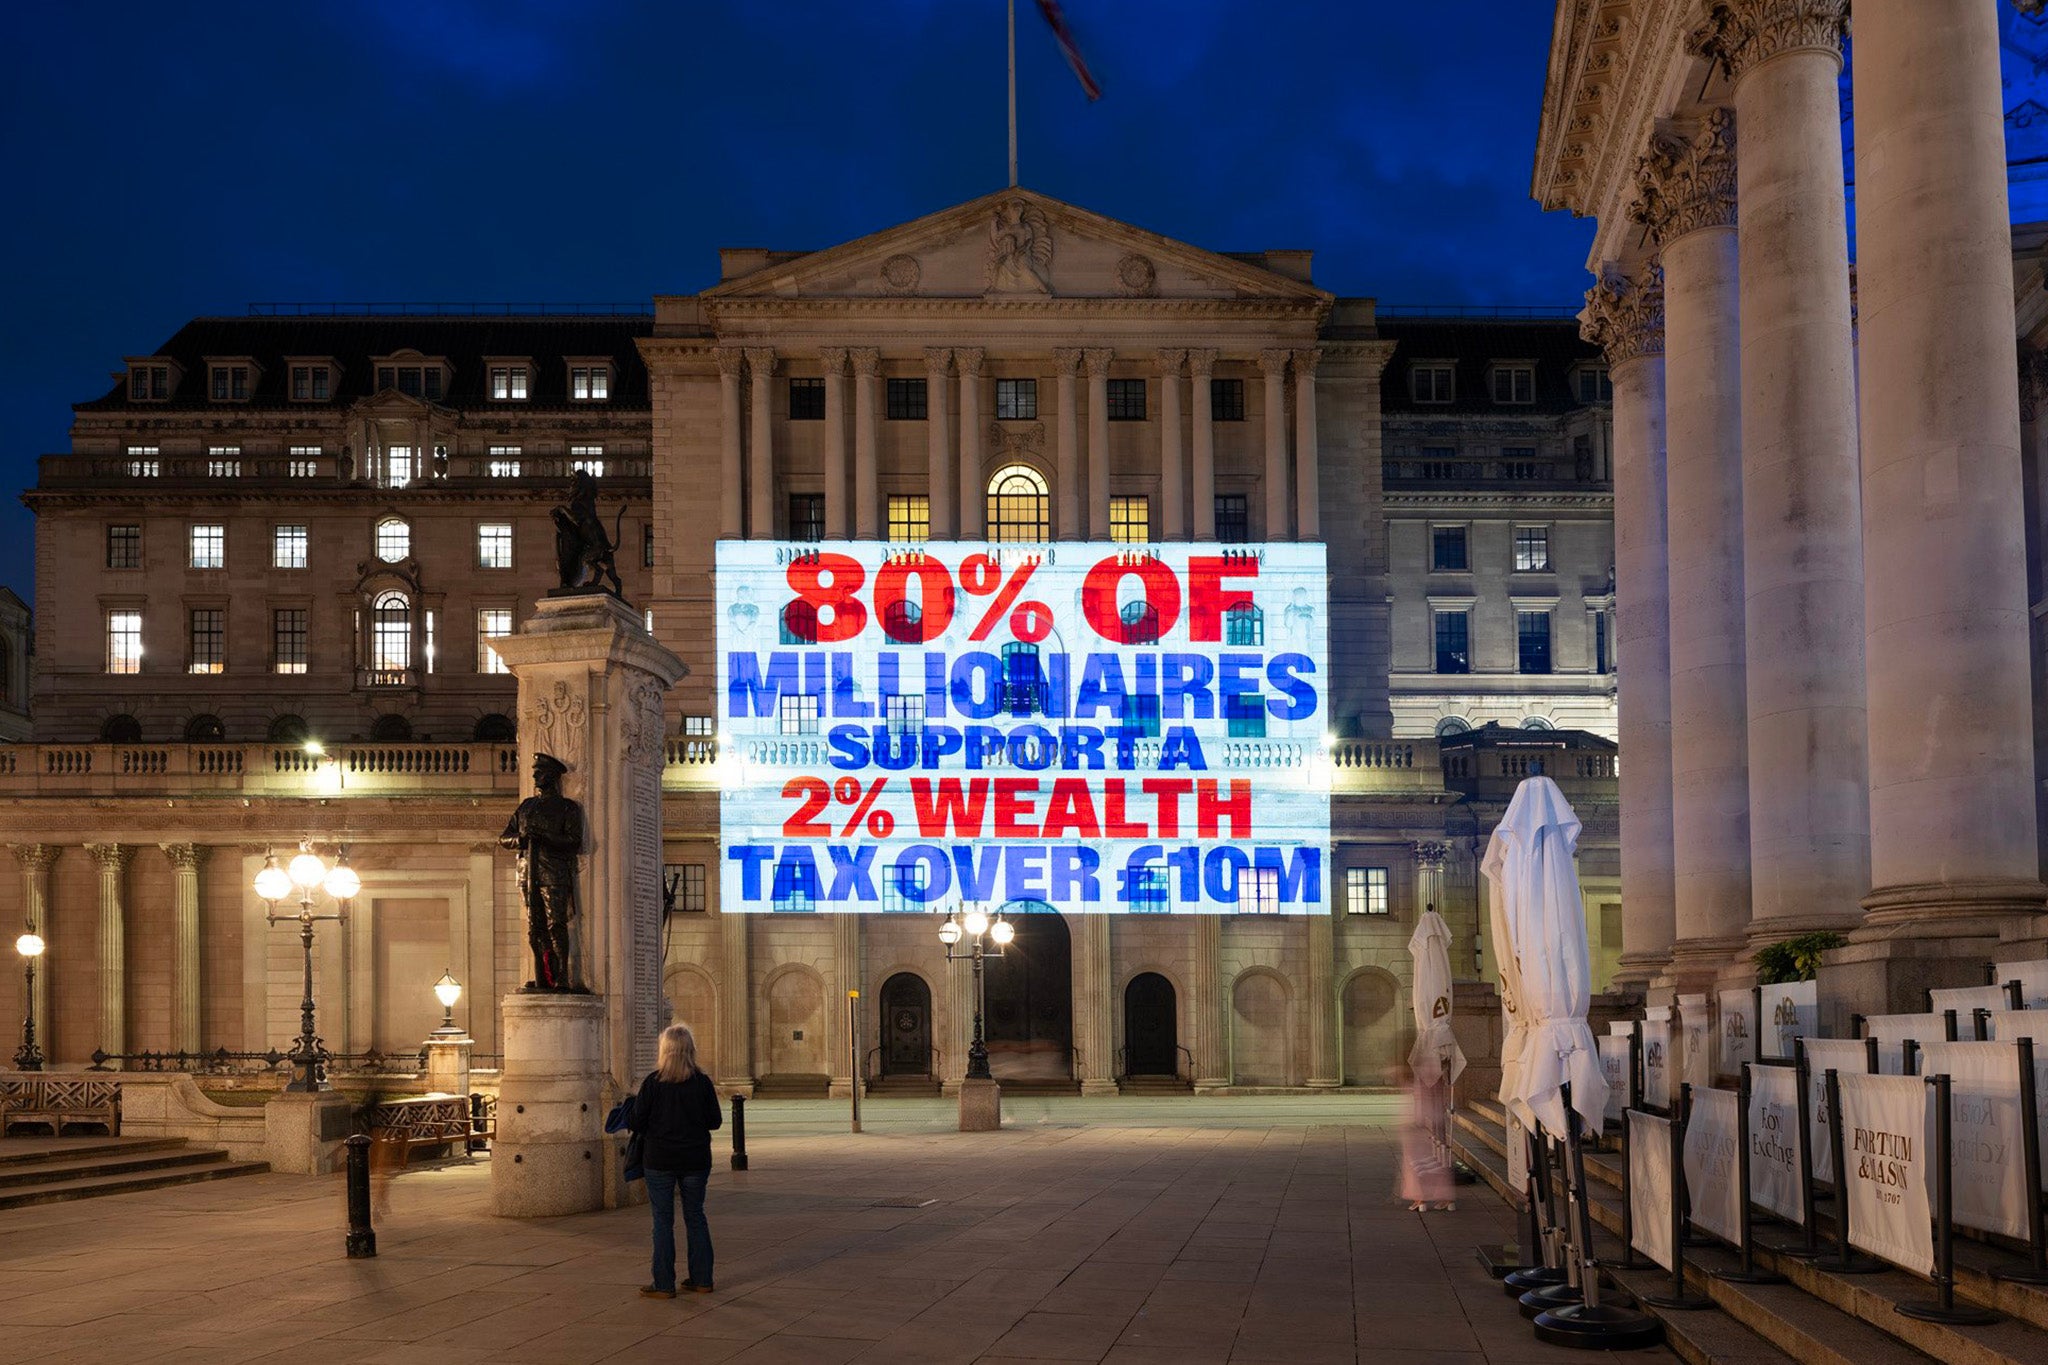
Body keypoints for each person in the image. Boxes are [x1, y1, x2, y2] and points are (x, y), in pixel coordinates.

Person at [634, 1023, 723, 1298]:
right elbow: (715, 1121)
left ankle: (663, 1283)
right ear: (690, 1050)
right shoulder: (702, 1083)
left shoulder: (653, 1083)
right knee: (696, 1216)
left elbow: (637, 1121)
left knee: (662, 1220)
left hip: (659, 1159)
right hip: (695, 1158)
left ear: (665, 1051)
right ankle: (702, 1278)